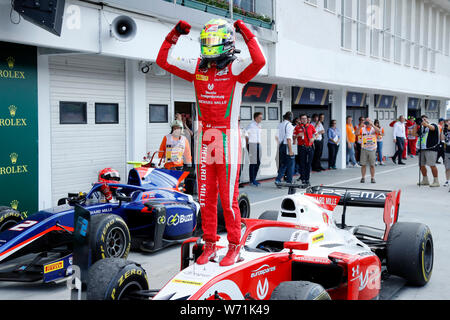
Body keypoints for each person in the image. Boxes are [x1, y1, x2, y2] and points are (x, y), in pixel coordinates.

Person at [157, 18, 265, 266]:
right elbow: (163, 61)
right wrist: (174, 34)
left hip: (228, 136)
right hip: (205, 136)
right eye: (207, 42)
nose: (210, 47)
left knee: (228, 199)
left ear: (227, 43)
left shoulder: (237, 68)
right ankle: (210, 245)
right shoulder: (197, 67)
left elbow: (259, 61)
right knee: (205, 197)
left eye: (215, 42)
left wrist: (246, 31)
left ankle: (235, 246)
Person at [416, 115, 440, 187]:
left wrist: (425, 124)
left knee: (432, 165)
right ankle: (425, 180)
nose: (423, 120)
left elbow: (432, 128)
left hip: (431, 148)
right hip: (422, 148)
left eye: (424, 119)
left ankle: (436, 181)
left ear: (427, 119)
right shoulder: (421, 128)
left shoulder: (433, 125)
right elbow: (414, 134)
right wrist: (416, 124)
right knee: (421, 165)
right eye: (422, 119)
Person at [294, 114, 317, 186]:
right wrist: (298, 135)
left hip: (309, 147)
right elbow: (293, 137)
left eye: (305, 118)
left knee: (309, 164)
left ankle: (307, 179)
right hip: (301, 147)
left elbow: (316, 134)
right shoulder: (297, 127)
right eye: (302, 118)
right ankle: (303, 179)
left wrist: (313, 138)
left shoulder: (310, 126)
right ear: (300, 120)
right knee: (302, 164)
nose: (304, 120)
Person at [275, 112, 295, 186]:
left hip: (281, 146)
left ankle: (278, 179)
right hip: (287, 145)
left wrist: (279, 145)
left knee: (283, 164)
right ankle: (289, 181)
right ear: (290, 117)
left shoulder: (280, 124)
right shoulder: (289, 125)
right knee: (290, 164)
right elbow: (289, 138)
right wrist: (290, 151)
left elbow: (276, 137)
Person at [359, 118, 380, 183]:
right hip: (364, 149)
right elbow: (356, 133)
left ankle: (372, 178)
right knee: (363, 164)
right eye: (366, 122)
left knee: (372, 165)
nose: (367, 123)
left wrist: (372, 125)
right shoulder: (362, 129)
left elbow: (379, 132)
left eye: (369, 122)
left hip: (372, 149)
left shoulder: (373, 128)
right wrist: (360, 126)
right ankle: (363, 177)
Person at [246, 112, 263, 187]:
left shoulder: (259, 125)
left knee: (258, 162)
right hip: (252, 144)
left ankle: (254, 179)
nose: (261, 119)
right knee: (253, 163)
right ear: (256, 118)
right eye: (260, 117)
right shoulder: (251, 126)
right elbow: (246, 135)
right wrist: (248, 145)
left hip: (258, 144)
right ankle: (251, 180)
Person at [442, 119, 450, 190]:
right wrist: (442, 129)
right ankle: (447, 180)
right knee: (447, 167)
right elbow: (442, 138)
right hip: (447, 150)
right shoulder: (445, 131)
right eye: (447, 123)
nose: (448, 125)